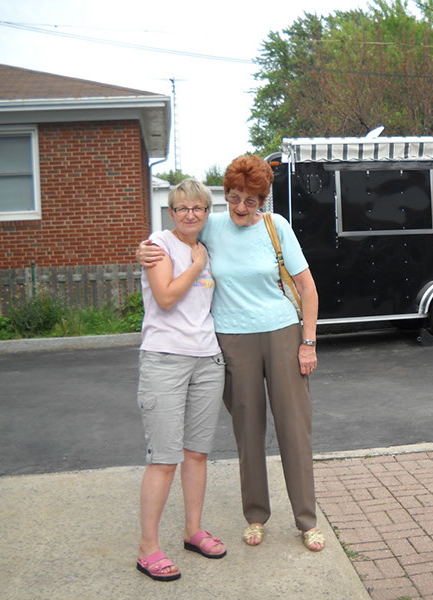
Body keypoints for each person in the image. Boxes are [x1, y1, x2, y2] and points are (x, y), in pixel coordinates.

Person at [139, 155, 324, 552]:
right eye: (234, 198)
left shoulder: (277, 227)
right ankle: (255, 516)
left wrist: (308, 343)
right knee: (248, 431)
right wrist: (143, 250)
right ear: (225, 196)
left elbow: (307, 288)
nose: (241, 207)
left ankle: (306, 520)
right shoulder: (212, 226)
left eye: (251, 200)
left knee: (294, 429)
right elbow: (177, 231)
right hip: (232, 340)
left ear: (263, 201)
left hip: (281, 333)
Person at [135, 179, 227, 582]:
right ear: (171, 212)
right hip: (166, 359)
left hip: (207, 359)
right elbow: (167, 297)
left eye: (198, 208)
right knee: (164, 459)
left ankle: (193, 531)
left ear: (207, 212)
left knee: (197, 454)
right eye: (182, 208)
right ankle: (148, 548)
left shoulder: (206, 246)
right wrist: (196, 264)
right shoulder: (159, 244)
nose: (191, 214)